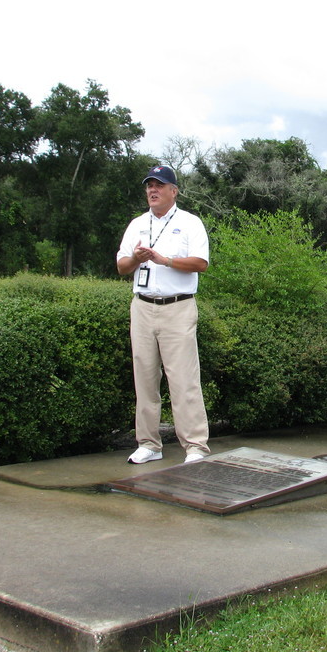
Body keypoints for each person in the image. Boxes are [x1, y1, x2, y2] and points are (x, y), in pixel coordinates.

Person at [116, 165, 210, 465]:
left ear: (174, 190)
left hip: (178, 308)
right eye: (149, 186)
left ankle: (195, 447)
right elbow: (122, 266)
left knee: (183, 379)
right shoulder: (136, 224)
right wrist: (136, 258)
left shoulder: (190, 223)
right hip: (142, 307)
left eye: (159, 185)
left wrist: (165, 260)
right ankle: (149, 444)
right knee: (144, 378)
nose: (152, 191)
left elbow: (201, 263)